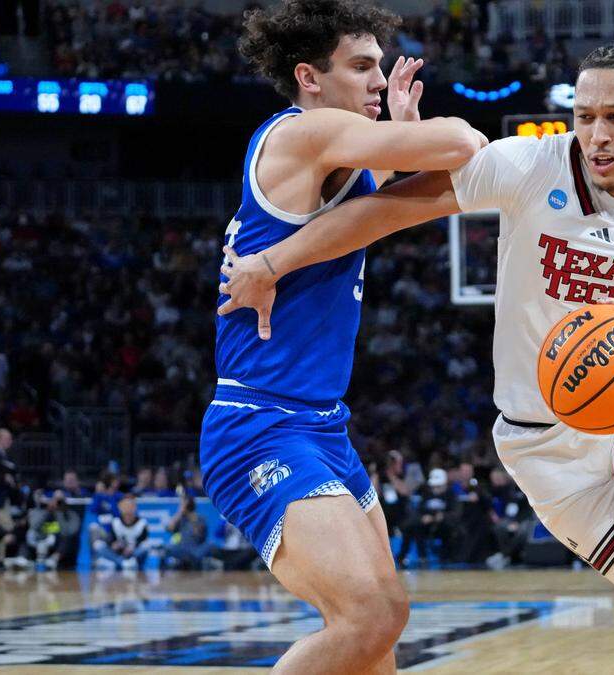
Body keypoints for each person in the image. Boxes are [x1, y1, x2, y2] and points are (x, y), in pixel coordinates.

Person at [219, 41, 614, 673]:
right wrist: (272, 262)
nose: (597, 135)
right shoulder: (529, 164)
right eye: (584, 117)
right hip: (543, 447)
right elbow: (380, 213)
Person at [202, 1, 484, 672]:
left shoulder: (333, 157)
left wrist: (401, 148)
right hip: (259, 424)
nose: (378, 83)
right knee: (373, 616)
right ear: (310, 77)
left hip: (323, 425)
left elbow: (387, 205)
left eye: (380, 68)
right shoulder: (303, 132)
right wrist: (418, 142)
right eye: (360, 67)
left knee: (374, 640)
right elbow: (465, 146)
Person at [96, 494, 151, 571]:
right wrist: (114, 544)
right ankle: (121, 562)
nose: (127, 509)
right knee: (98, 545)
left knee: (146, 547)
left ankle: (120, 562)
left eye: (130, 507)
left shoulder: (142, 523)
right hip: (119, 552)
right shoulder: (115, 522)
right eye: (125, 507)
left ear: (135, 508)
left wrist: (131, 548)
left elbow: (142, 540)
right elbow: (111, 539)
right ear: (120, 508)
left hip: (134, 552)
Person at [163, 493, 210, 569]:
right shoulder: (181, 519)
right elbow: (169, 528)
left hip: (195, 550)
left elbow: (199, 535)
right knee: (164, 550)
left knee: (208, 546)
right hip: (181, 548)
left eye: (182, 504)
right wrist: (179, 513)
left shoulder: (200, 519)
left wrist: (193, 520)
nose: (181, 506)